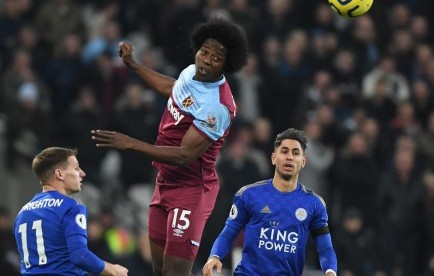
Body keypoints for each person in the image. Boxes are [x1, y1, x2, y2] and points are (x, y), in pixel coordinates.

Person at [91, 17, 248, 275]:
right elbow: (173, 88)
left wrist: (130, 143)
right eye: (204, 51)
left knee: (175, 273)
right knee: (159, 269)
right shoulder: (191, 72)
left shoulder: (217, 107)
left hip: (191, 189)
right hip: (164, 181)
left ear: (225, 65)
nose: (207, 59)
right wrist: (134, 65)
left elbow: (184, 155)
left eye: (216, 57)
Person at [202, 128, 338, 276]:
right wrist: (214, 256)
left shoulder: (314, 204)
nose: (290, 157)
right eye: (284, 151)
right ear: (273, 158)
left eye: (296, 153)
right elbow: (228, 234)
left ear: (303, 161)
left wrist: (330, 271)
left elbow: (325, 249)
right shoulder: (248, 195)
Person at [13, 147, 128, 276]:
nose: (82, 173)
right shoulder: (71, 206)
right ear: (60, 174)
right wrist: (113, 270)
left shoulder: (22, 213)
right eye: (76, 168)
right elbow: (80, 256)